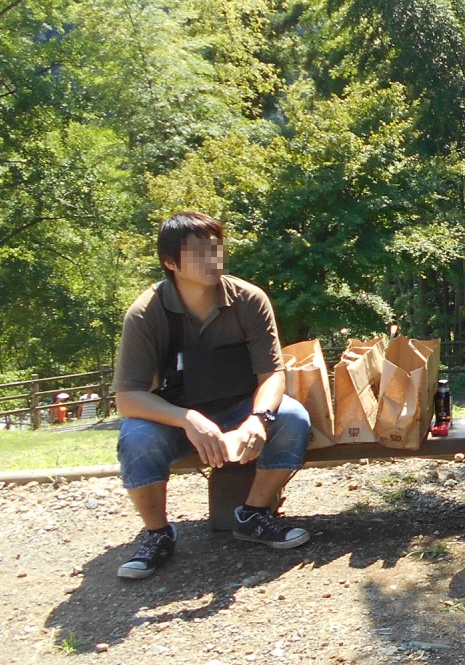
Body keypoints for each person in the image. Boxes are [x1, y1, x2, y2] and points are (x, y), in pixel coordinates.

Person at [110, 212, 313, 580]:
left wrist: (258, 418)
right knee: (136, 438)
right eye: (198, 252)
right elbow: (128, 398)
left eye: (216, 248)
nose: (212, 259)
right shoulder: (145, 313)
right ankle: (157, 534)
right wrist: (187, 419)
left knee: (293, 417)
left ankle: (254, 514)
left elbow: (272, 375)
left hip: (240, 408)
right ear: (170, 263)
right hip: (174, 417)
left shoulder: (249, 299)